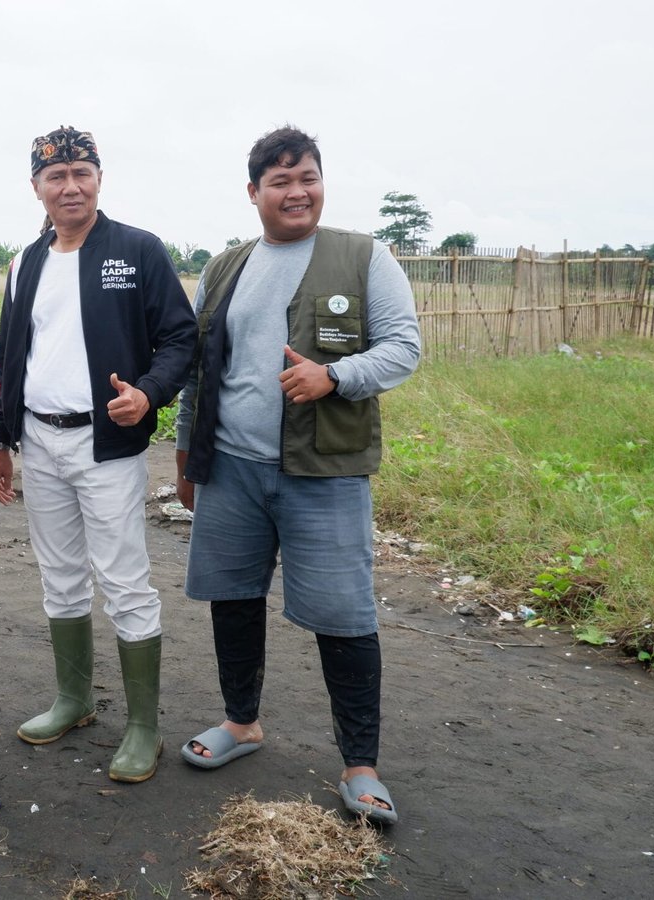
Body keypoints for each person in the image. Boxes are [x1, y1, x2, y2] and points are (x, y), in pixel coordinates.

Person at [174, 126, 421, 825]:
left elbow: (404, 348)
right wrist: (189, 455)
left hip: (324, 473)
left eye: (307, 176)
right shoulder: (224, 267)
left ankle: (361, 765)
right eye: (279, 180)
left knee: (344, 614)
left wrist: (334, 375)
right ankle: (242, 724)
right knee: (233, 595)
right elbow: (202, 366)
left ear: (322, 182)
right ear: (254, 193)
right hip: (233, 470)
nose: (297, 191)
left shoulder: (364, 257)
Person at [0, 126, 196, 783]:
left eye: (82, 172)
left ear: (99, 177)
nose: (70, 185)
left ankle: (143, 727)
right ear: (36, 188)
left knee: (125, 578)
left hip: (106, 442)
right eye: (56, 176)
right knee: (60, 573)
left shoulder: (136, 251)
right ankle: (73, 699)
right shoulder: (26, 263)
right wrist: (2, 438)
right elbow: (10, 355)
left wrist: (149, 393)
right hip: (41, 440)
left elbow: (181, 339)